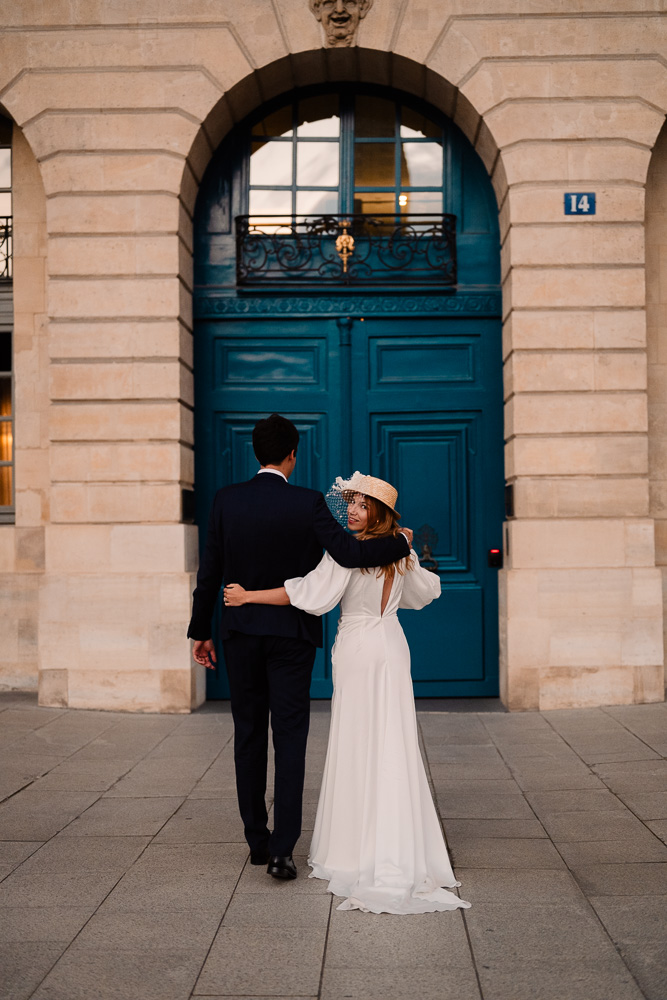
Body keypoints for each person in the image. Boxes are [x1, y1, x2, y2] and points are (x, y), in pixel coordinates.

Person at [224, 472, 471, 915]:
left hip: (357, 648)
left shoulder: (346, 555)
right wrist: (408, 546)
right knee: (393, 740)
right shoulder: (400, 553)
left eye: (360, 504)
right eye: (350, 503)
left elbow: (305, 595)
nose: (351, 511)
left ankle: (354, 847)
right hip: (392, 645)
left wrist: (247, 597)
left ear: (376, 511)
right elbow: (426, 592)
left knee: (358, 741)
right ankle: (401, 843)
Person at [187, 415, 411, 881]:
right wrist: (396, 545)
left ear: (256, 453)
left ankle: (256, 839)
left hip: (241, 633)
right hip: (293, 637)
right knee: (290, 738)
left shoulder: (226, 500)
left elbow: (209, 571)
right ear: (293, 454)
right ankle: (283, 850)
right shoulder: (308, 503)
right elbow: (350, 555)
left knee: (248, 735)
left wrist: (200, 631)